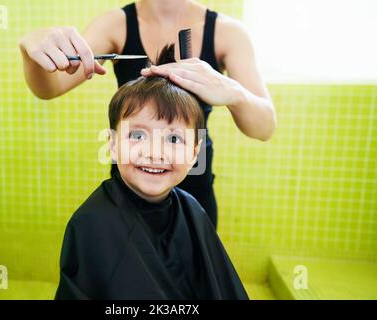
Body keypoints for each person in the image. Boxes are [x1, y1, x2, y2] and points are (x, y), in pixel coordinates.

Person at [19, 0, 276, 229]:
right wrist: (32, 52)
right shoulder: (115, 25)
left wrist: (232, 91)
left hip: (195, 187)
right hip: (130, 187)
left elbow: (264, 127)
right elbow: (49, 88)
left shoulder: (227, 33)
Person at [54, 45, 249, 300]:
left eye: (174, 139)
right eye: (137, 135)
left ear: (194, 152)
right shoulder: (90, 224)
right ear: (112, 145)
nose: (155, 152)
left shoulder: (193, 212)